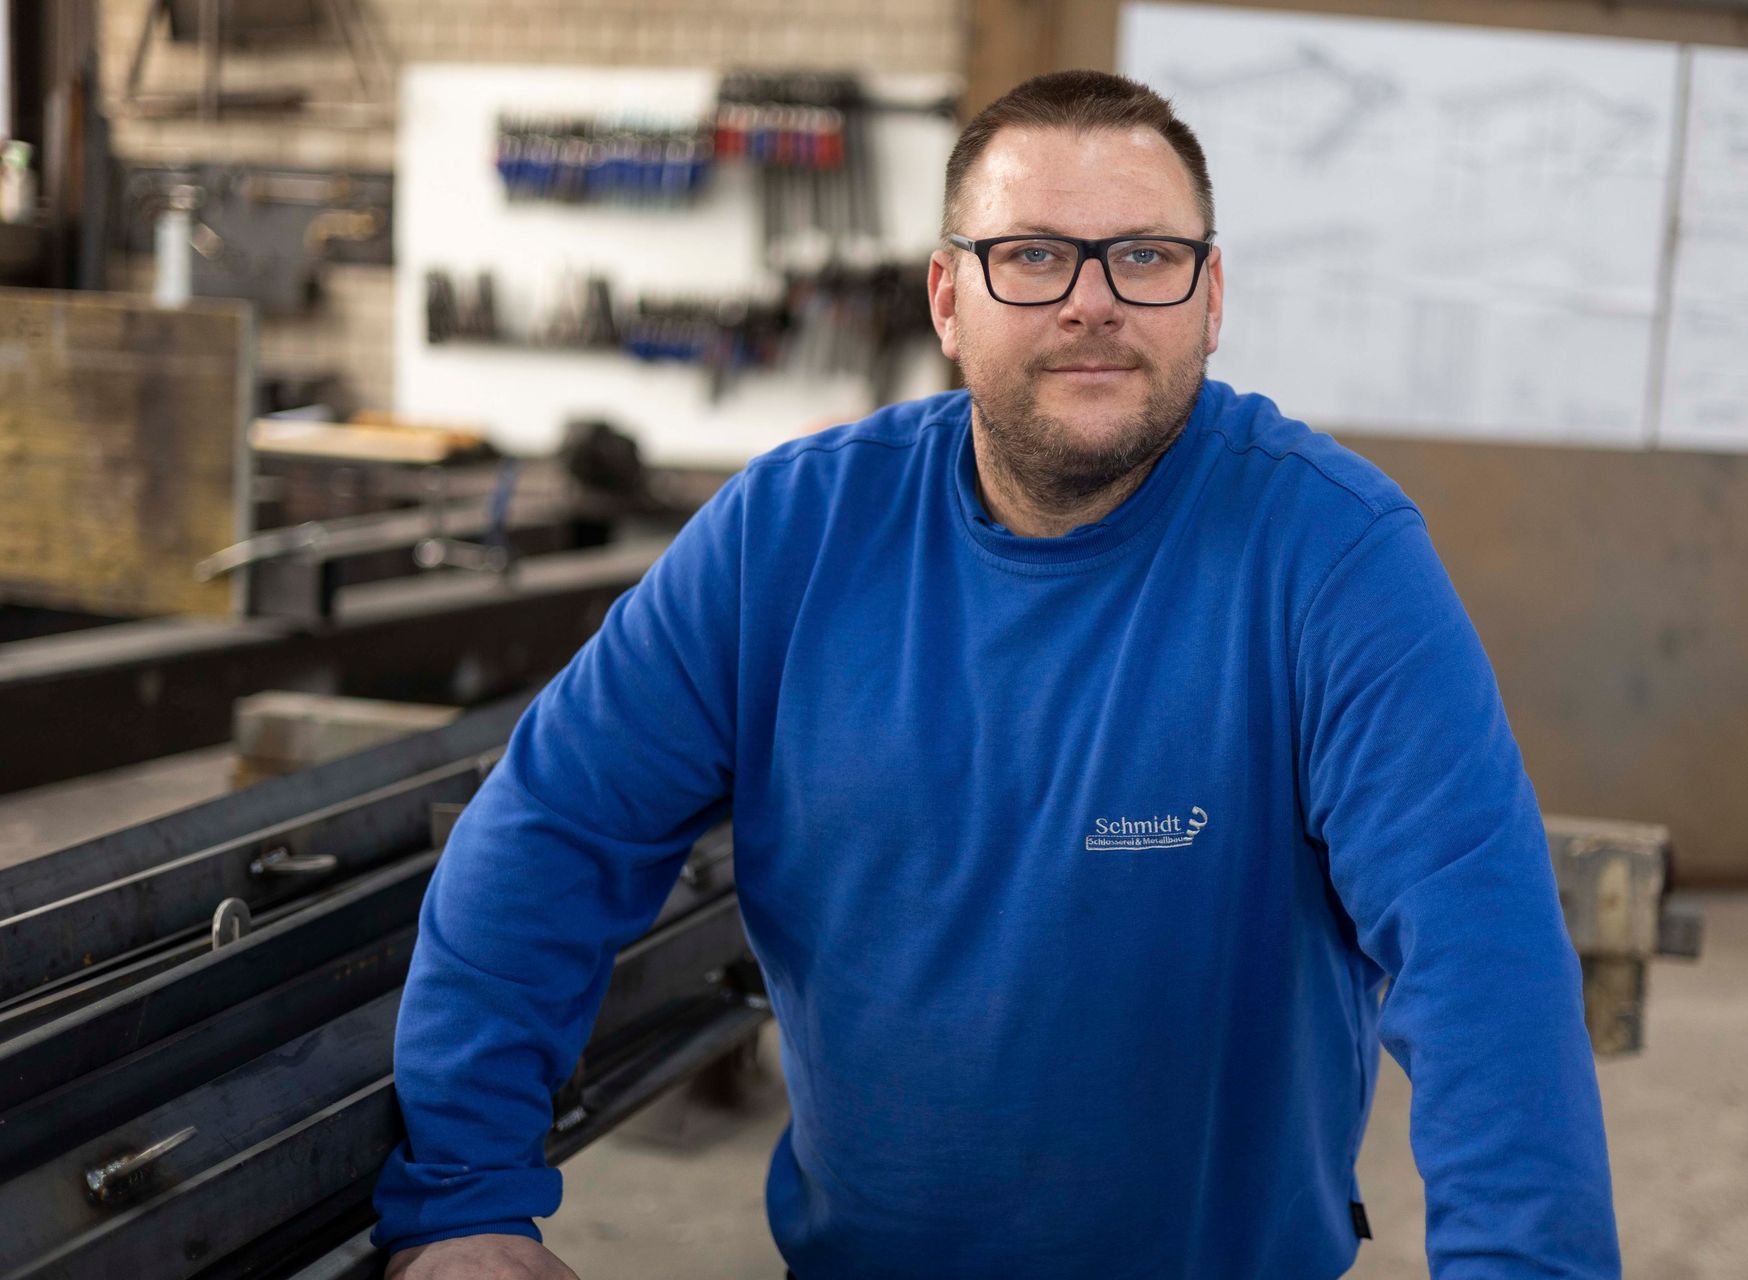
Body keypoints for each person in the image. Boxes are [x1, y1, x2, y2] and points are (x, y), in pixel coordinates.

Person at [374, 70, 1620, 1280]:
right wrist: (463, 1196)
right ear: (947, 296)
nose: (1094, 301)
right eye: (1032, 255)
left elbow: (1482, 955)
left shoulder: (1333, 554)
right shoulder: (786, 537)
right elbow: (551, 827)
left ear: (1211, 293)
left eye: (1145, 254)